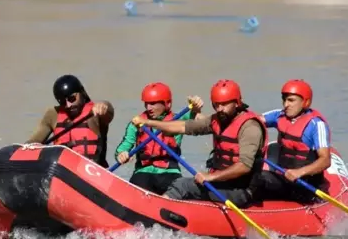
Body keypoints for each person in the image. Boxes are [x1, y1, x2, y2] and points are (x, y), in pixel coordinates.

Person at [131, 79, 267, 207]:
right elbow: (181, 127)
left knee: (182, 185)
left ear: (237, 103)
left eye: (224, 104)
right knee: (182, 185)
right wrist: (148, 122)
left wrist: (211, 177)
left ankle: (155, 212)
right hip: (222, 185)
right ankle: (160, 211)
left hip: (242, 191)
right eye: (216, 104)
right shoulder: (217, 120)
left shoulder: (250, 127)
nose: (220, 109)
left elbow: (244, 166)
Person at [114, 82, 204, 194]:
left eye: (153, 103)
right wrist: (122, 154)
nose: (148, 108)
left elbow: (203, 123)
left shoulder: (179, 119)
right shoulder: (136, 123)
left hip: (170, 172)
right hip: (143, 172)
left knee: (178, 189)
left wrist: (196, 108)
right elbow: (123, 147)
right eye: (146, 103)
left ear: (167, 104)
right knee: (138, 186)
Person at [255, 79, 331, 203]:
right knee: (253, 175)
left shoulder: (316, 125)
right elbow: (252, 121)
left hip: (306, 184)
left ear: (306, 102)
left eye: (291, 100)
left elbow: (325, 160)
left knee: (260, 177)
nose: (286, 104)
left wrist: (299, 172)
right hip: (284, 180)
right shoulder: (279, 115)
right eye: (284, 100)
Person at [25, 74, 114, 168]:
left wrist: (104, 105)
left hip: (91, 173)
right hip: (60, 171)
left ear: (82, 93)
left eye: (72, 99)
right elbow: (32, 142)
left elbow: (109, 112)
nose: (68, 105)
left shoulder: (96, 113)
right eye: (63, 102)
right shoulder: (53, 114)